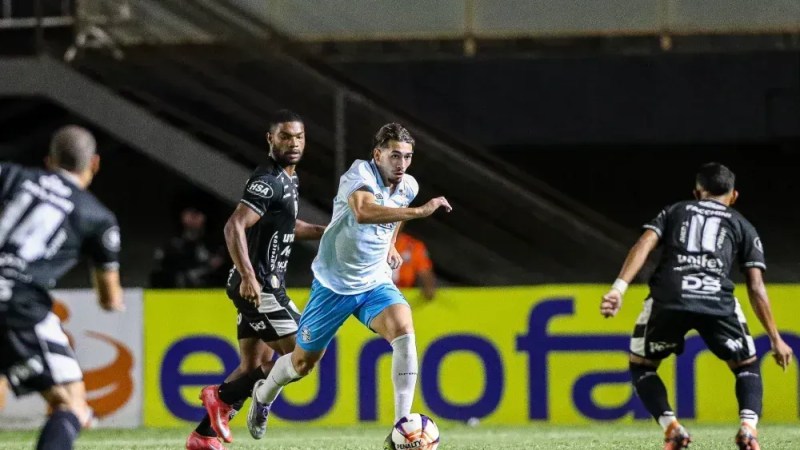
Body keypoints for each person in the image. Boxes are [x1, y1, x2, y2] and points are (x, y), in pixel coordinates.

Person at [247, 123, 452, 440]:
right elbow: (363, 211)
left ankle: (401, 428)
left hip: (374, 283)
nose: (401, 164)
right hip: (334, 286)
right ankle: (263, 396)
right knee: (302, 364)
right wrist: (421, 211)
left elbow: (394, 214)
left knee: (404, 332)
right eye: (394, 155)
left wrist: (390, 244)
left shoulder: (407, 185)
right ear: (378, 154)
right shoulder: (359, 175)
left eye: (407, 157)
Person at [600, 163, 793, 450]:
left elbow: (644, 244)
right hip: (716, 298)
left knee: (642, 367)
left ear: (696, 193)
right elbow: (756, 287)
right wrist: (776, 338)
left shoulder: (675, 210)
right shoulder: (742, 224)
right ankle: (748, 428)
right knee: (746, 366)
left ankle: (672, 428)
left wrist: (619, 287)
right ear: (734, 195)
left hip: (670, 296)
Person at [186, 110, 325, 450]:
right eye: (285, 137)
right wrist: (250, 277)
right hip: (261, 286)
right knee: (302, 354)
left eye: (299, 137)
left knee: (254, 365)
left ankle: (202, 436)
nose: (293, 143)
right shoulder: (269, 178)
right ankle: (220, 396)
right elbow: (233, 225)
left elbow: (285, 226)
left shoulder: (289, 179)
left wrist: (327, 231)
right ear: (270, 139)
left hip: (258, 285)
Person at [0, 125, 125, 450]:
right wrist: (115, 299)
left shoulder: (12, 174)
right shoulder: (97, 217)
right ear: (94, 164)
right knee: (71, 405)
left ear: (49, 160)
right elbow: (110, 299)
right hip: (17, 302)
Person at [149, 206, 226, 288]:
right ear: (182, 216)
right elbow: (159, 274)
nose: (193, 217)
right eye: (190, 213)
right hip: (174, 295)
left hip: (209, 295)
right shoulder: (170, 246)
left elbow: (221, 274)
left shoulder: (215, 247)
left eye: (197, 213)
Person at [392, 231, 436, 300]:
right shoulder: (370, 244)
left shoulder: (413, 246)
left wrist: (428, 284)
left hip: (403, 298)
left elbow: (425, 273)